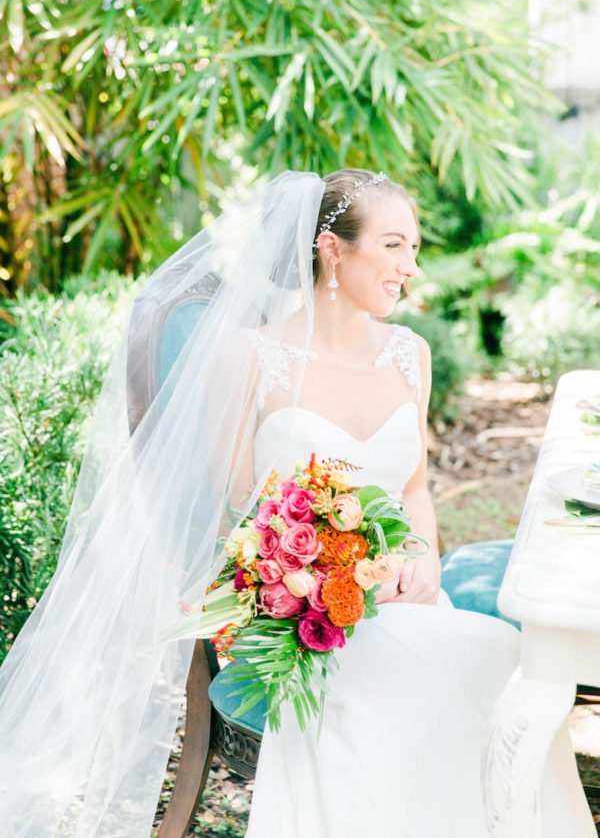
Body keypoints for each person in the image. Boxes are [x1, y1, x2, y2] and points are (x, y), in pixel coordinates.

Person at [0, 169, 593, 837]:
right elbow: (234, 512)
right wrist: (310, 578)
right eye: (394, 246)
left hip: (405, 599)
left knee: (505, 656)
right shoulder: (250, 357)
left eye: (416, 248)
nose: (411, 267)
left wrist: (423, 556)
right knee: (482, 661)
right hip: (303, 617)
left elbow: (416, 490)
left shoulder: (412, 355)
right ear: (333, 251)